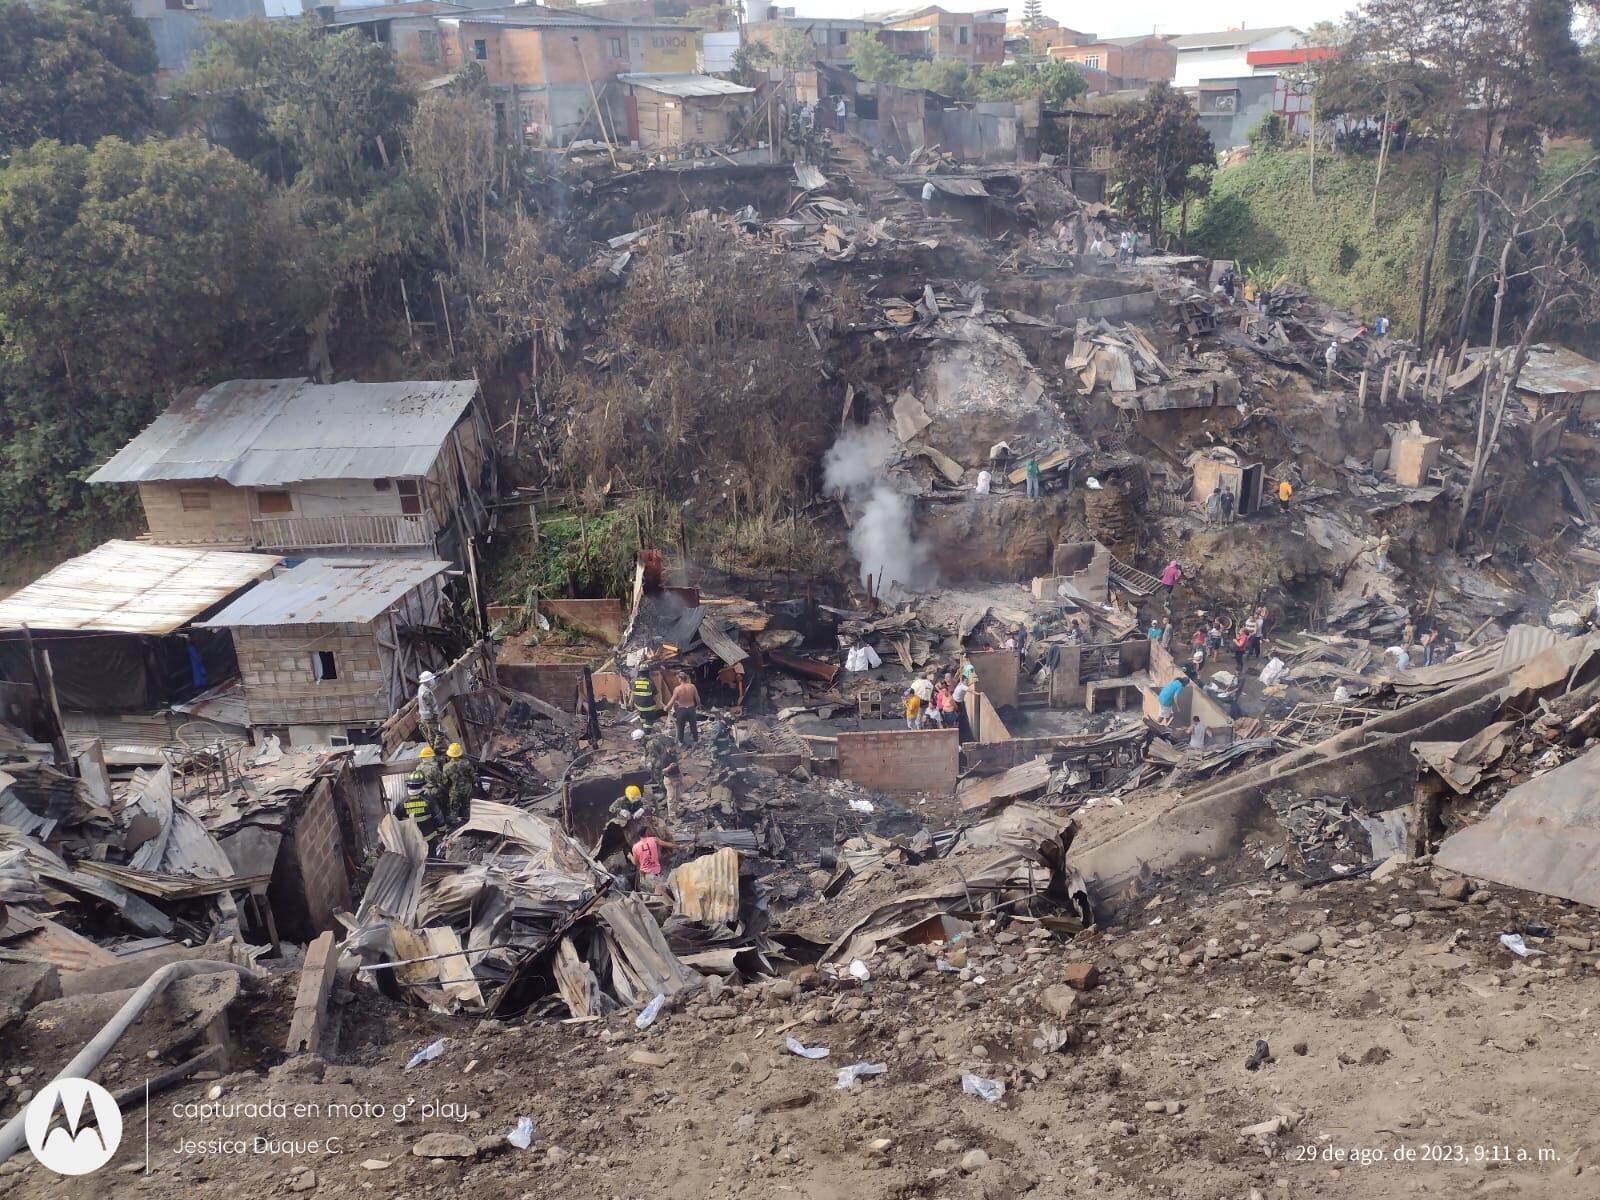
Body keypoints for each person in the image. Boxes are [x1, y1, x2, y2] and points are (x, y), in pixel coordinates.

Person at [401, 772, 444, 853]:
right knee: (431, 861)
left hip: (411, 841)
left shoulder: (402, 802)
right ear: (422, 785)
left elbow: (396, 821)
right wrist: (442, 831)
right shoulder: (429, 800)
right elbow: (439, 817)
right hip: (428, 840)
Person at [441, 743, 475, 829]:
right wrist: (471, 783)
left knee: (454, 808)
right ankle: (469, 821)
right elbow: (473, 777)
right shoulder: (466, 763)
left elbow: (445, 782)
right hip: (467, 788)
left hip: (455, 790)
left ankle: (455, 826)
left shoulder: (446, 767)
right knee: (467, 806)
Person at [669, 675, 701, 746]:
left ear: (680, 679)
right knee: (693, 726)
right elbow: (697, 697)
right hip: (691, 709)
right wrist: (699, 705)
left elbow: (672, 700)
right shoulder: (692, 686)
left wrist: (666, 707)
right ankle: (695, 741)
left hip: (682, 710)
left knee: (681, 726)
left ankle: (681, 742)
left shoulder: (677, 689)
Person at [416, 670, 442, 749]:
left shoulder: (421, 688)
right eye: (431, 679)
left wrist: (440, 673)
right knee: (440, 733)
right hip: (430, 717)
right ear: (427, 681)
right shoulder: (427, 693)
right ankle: (437, 749)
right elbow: (432, 708)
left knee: (431, 732)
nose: (432, 681)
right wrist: (437, 717)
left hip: (424, 716)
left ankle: (431, 747)